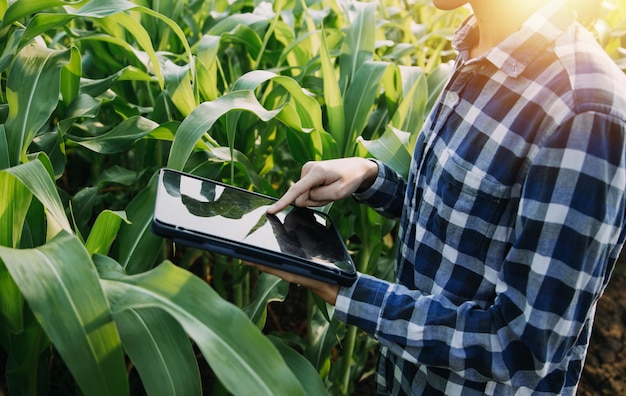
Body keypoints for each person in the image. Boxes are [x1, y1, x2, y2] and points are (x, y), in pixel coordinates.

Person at [250, 0, 626, 394]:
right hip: (405, 378)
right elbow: (468, 224)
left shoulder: (584, 112)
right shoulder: (482, 50)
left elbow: (521, 346)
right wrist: (370, 176)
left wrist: (341, 287)